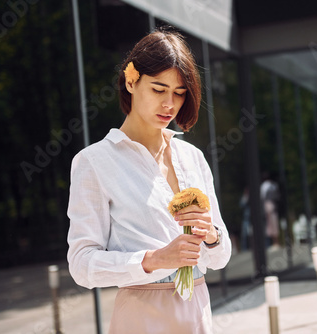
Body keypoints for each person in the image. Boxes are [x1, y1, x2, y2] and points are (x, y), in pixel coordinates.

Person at [66, 28, 231, 334]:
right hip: (143, 315)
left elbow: (220, 257)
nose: (170, 103)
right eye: (158, 89)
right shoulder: (94, 163)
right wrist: (154, 259)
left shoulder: (192, 157)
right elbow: (81, 265)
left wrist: (210, 234)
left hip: (199, 310)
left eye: (179, 92)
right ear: (131, 81)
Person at [260, 172, 280, 248]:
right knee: (274, 223)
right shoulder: (273, 185)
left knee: (270, 224)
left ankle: (275, 243)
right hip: (274, 206)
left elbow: (262, 197)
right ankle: (275, 242)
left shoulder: (264, 186)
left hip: (268, 205)